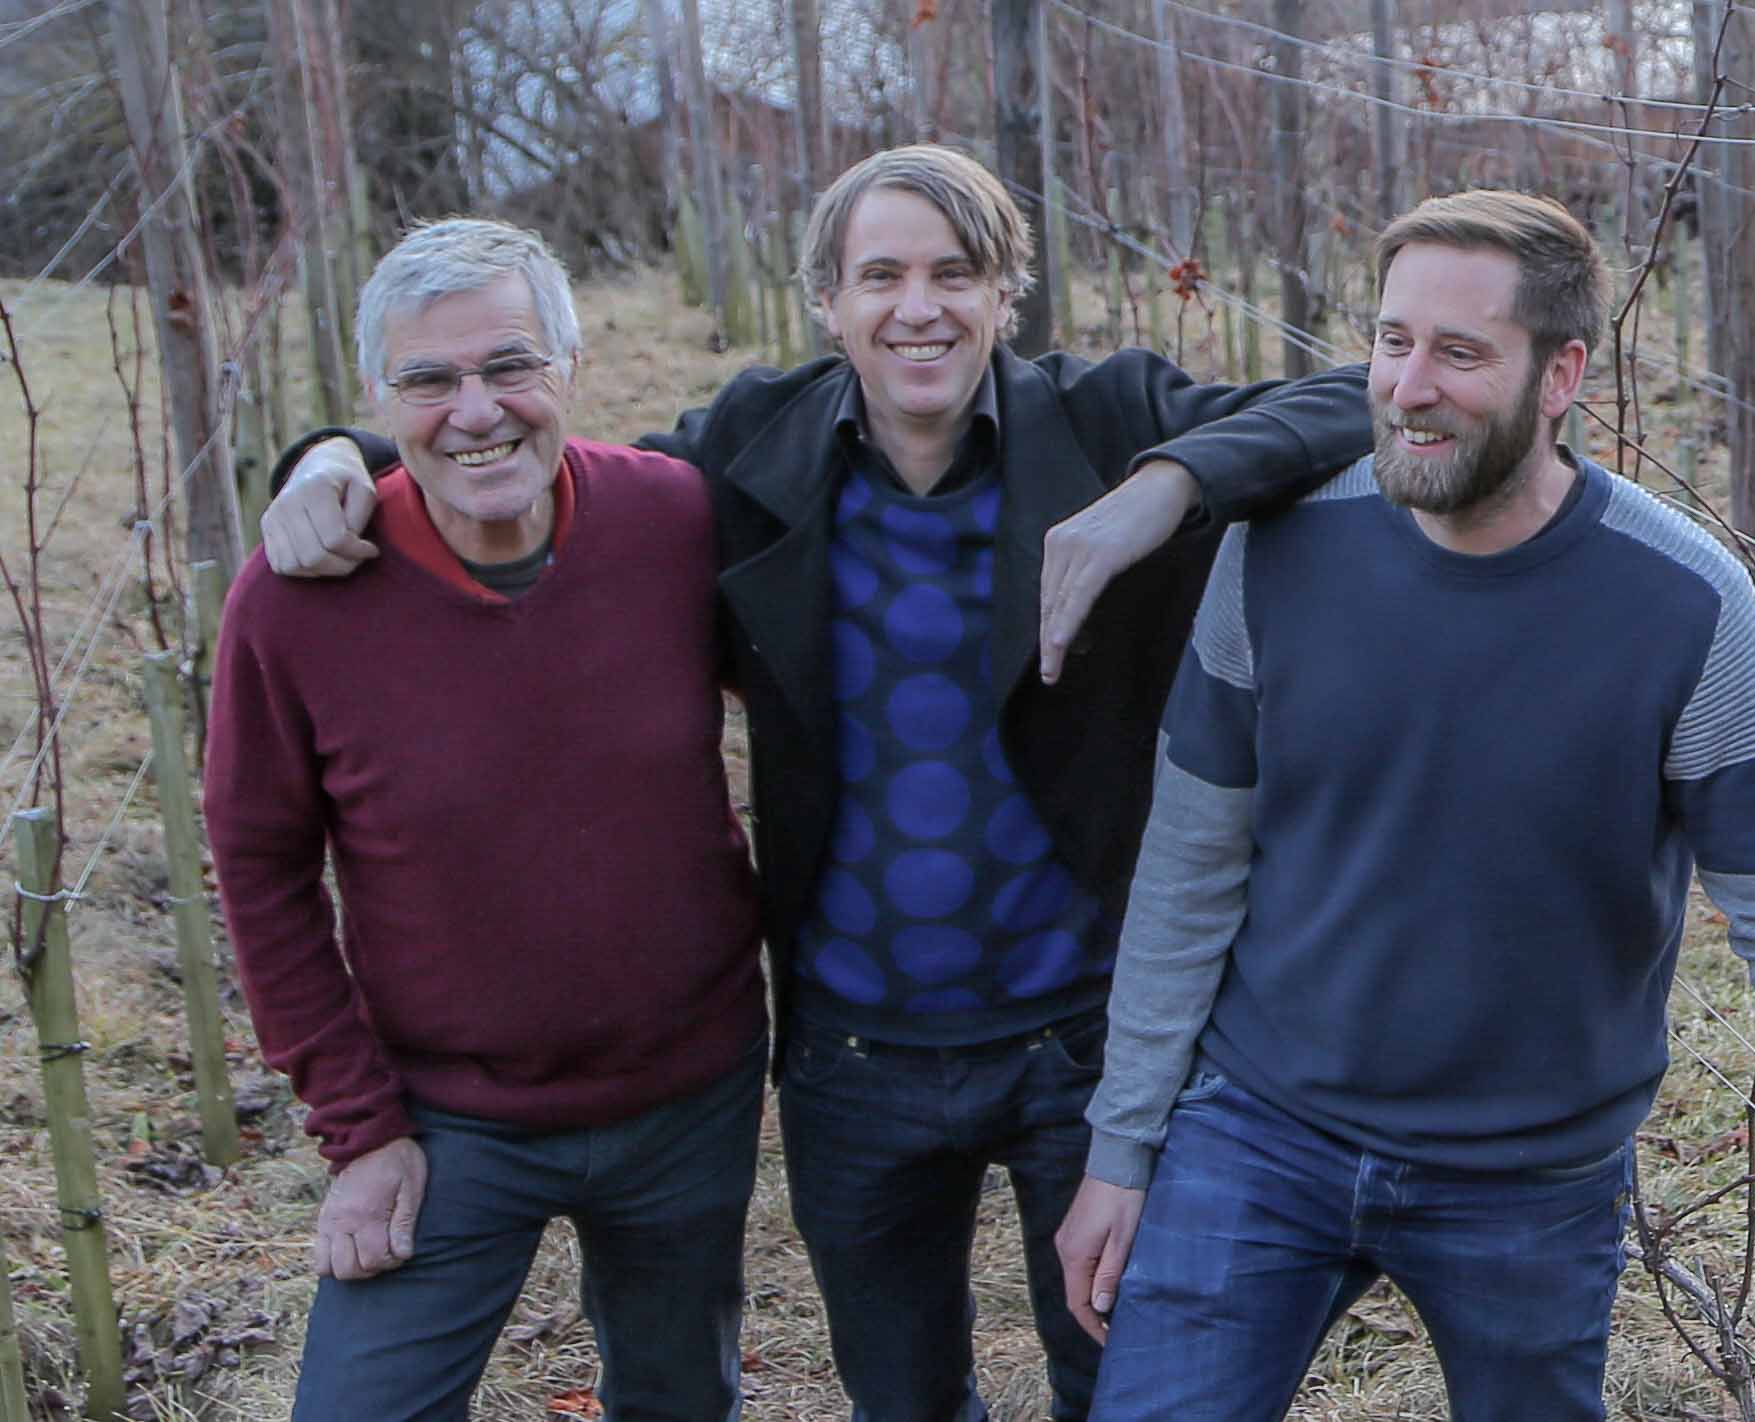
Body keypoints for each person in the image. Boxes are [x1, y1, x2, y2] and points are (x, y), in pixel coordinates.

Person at [258, 145, 1374, 1422]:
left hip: (1086, 1037)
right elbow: (519, 449)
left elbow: (1358, 399)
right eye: (881, 276)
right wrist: (328, 457)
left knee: (1117, 1382)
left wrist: (1164, 489)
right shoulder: (750, 449)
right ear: (827, 303)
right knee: (901, 1398)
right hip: (854, 1053)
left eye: (955, 273)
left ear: (1004, 294)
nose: (919, 308)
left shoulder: (1108, 420)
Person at [1052, 189, 1755, 1422]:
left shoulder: (1684, 605)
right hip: (1261, 1136)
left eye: (1460, 353)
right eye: (1392, 341)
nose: (1409, 386)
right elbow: (1189, 867)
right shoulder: (1281, 551)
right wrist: (1122, 1147)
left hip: (1528, 1182)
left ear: (1562, 374)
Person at [203, 220, 766, 1420]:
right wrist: (359, 1128)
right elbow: (258, 867)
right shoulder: (297, 601)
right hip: (443, 1116)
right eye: (430, 380)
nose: (476, 411)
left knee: (680, 1398)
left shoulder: (672, 523)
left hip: (689, 1095)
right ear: (378, 399)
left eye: (511, 365)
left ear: (573, 369)